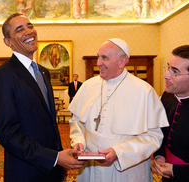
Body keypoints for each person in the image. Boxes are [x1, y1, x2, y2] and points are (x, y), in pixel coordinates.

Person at [0, 13, 84, 182]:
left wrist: (59, 159)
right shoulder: (2, 75)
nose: (28, 31)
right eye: (19, 29)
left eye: (30, 26)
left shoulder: (43, 71)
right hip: (26, 171)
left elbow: (50, 123)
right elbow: (8, 134)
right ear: (7, 41)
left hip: (53, 170)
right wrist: (54, 158)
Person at [69, 38, 169, 182]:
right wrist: (78, 141)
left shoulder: (144, 91)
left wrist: (119, 152)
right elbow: (77, 121)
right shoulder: (87, 86)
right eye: (98, 56)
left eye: (104, 58)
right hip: (90, 167)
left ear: (122, 61)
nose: (98, 63)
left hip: (127, 171)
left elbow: (153, 137)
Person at [152, 45, 189, 182]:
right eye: (168, 68)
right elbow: (161, 131)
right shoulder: (167, 97)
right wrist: (159, 155)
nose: (166, 75)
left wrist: (175, 170)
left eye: (175, 71)